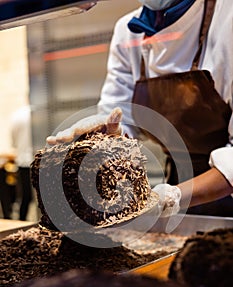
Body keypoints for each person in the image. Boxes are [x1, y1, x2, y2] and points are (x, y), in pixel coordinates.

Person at [46, 0, 233, 217]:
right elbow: (119, 116)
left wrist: (173, 197)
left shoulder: (226, 17)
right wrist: (108, 133)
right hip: (175, 187)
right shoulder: (128, 32)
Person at [11, 105, 34, 221]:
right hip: (40, 161)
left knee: (25, 197)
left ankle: (21, 224)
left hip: (23, 162)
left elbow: (14, 141)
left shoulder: (17, 115)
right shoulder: (42, 112)